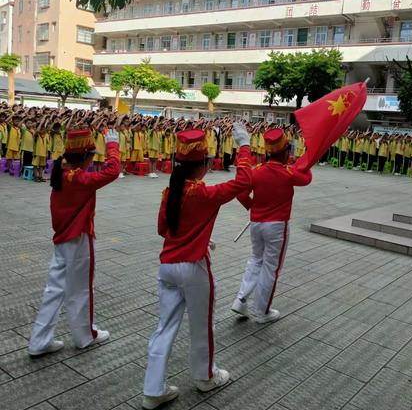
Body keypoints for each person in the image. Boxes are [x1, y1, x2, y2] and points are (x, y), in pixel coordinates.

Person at [142, 123, 251, 410]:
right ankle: (205, 377)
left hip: (167, 267)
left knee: (164, 328)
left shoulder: (170, 192)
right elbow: (243, 183)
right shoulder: (204, 194)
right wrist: (244, 147)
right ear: (203, 164)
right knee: (202, 325)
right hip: (193, 268)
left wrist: (198, 234)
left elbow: (163, 229)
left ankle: (153, 390)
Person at [27, 128, 120, 356]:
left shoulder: (62, 173)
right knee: (80, 290)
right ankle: (84, 336)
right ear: (86, 157)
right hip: (78, 239)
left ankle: (39, 341)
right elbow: (113, 171)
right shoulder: (79, 178)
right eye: (91, 156)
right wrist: (112, 148)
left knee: (54, 290)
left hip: (62, 240)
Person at [233, 128, 312, 323]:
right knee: (271, 268)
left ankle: (240, 299)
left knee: (255, 260)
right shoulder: (288, 173)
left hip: (256, 223)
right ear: (286, 151)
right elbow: (307, 178)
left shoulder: (256, 171)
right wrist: (305, 159)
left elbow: (240, 193)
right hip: (277, 226)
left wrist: (254, 207)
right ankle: (262, 312)